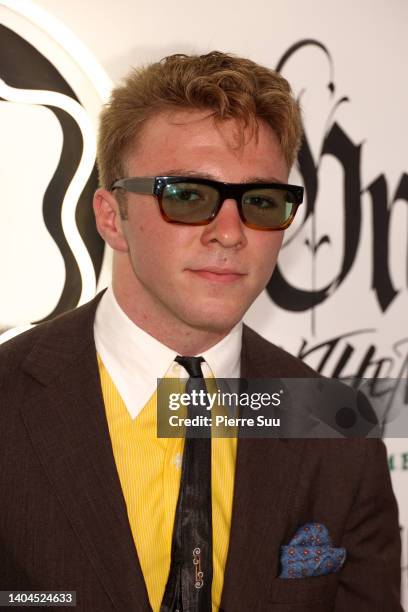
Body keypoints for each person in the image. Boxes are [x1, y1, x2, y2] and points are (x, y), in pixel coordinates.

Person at [0, 51, 402, 612]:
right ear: (112, 217)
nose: (230, 233)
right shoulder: (8, 397)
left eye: (260, 201)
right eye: (188, 195)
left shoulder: (334, 423)